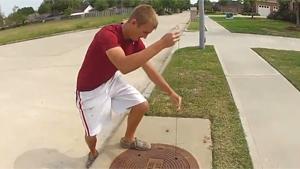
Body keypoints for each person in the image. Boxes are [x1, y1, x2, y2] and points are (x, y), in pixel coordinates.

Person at [75, 4, 182, 168]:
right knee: (92, 132)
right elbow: (124, 66)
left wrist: (171, 93)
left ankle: (128, 139)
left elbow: (150, 70)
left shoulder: (135, 41)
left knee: (142, 105)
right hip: (90, 90)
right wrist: (161, 44)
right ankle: (93, 152)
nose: (145, 37)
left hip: (110, 80)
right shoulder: (107, 34)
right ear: (133, 23)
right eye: (144, 32)